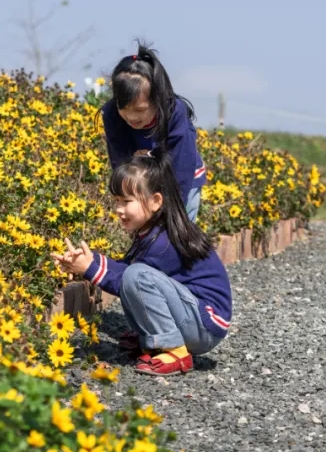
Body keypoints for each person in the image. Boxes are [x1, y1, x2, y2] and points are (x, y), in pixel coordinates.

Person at [52, 153, 232, 376]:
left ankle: (175, 350)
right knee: (135, 274)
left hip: (205, 325)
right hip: (195, 317)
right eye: (116, 200)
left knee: (136, 277)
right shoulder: (152, 232)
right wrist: (89, 261)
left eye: (127, 201)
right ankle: (157, 340)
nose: (119, 208)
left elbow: (128, 279)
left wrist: (89, 268)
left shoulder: (165, 242)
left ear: (156, 201)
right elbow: (125, 270)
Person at [100, 42, 207, 222]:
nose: (132, 117)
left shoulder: (175, 113)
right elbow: (120, 161)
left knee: (181, 237)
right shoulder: (111, 114)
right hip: (143, 184)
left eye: (140, 110)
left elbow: (181, 166)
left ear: (158, 100)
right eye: (124, 108)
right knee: (146, 236)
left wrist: (172, 212)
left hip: (182, 181)